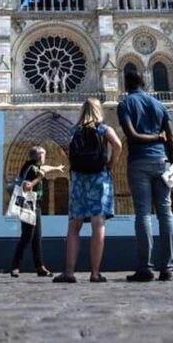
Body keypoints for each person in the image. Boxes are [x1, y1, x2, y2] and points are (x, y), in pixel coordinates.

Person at [117, 70, 173, 282]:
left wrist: (152, 137)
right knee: (166, 213)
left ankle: (145, 267)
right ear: (144, 83)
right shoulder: (159, 105)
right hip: (162, 162)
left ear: (126, 85)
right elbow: (171, 137)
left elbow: (131, 135)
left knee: (143, 214)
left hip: (139, 162)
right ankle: (168, 267)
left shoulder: (125, 104)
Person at [53, 98, 123, 283]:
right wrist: (111, 164)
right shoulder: (103, 129)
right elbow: (118, 145)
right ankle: (95, 273)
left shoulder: (74, 131)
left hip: (78, 179)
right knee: (98, 224)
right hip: (99, 177)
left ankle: (69, 273)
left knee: (74, 227)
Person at [9, 146, 63, 278]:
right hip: (28, 204)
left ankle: (40, 267)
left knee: (37, 237)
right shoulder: (32, 170)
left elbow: (44, 169)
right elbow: (26, 187)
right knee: (27, 236)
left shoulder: (33, 166)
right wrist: (39, 179)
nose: (45, 158)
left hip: (35, 204)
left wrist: (57, 168)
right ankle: (15, 266)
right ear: (39, 157)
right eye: (44, 155)